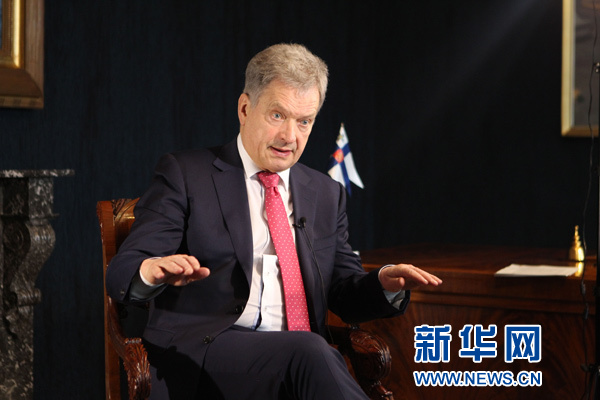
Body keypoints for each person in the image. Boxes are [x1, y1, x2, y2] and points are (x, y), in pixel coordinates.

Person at [106, 43, 441, 400]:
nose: (290, 137)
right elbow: (122, 272)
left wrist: (384, 284)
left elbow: (343, 293)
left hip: (298, 365)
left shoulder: (325, 193)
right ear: (245, 108)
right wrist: (150, 270)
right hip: (205, 357)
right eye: (278, 115)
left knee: (308, 352)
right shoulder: (187, 174)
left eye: (304, 121)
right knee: (309, 351)